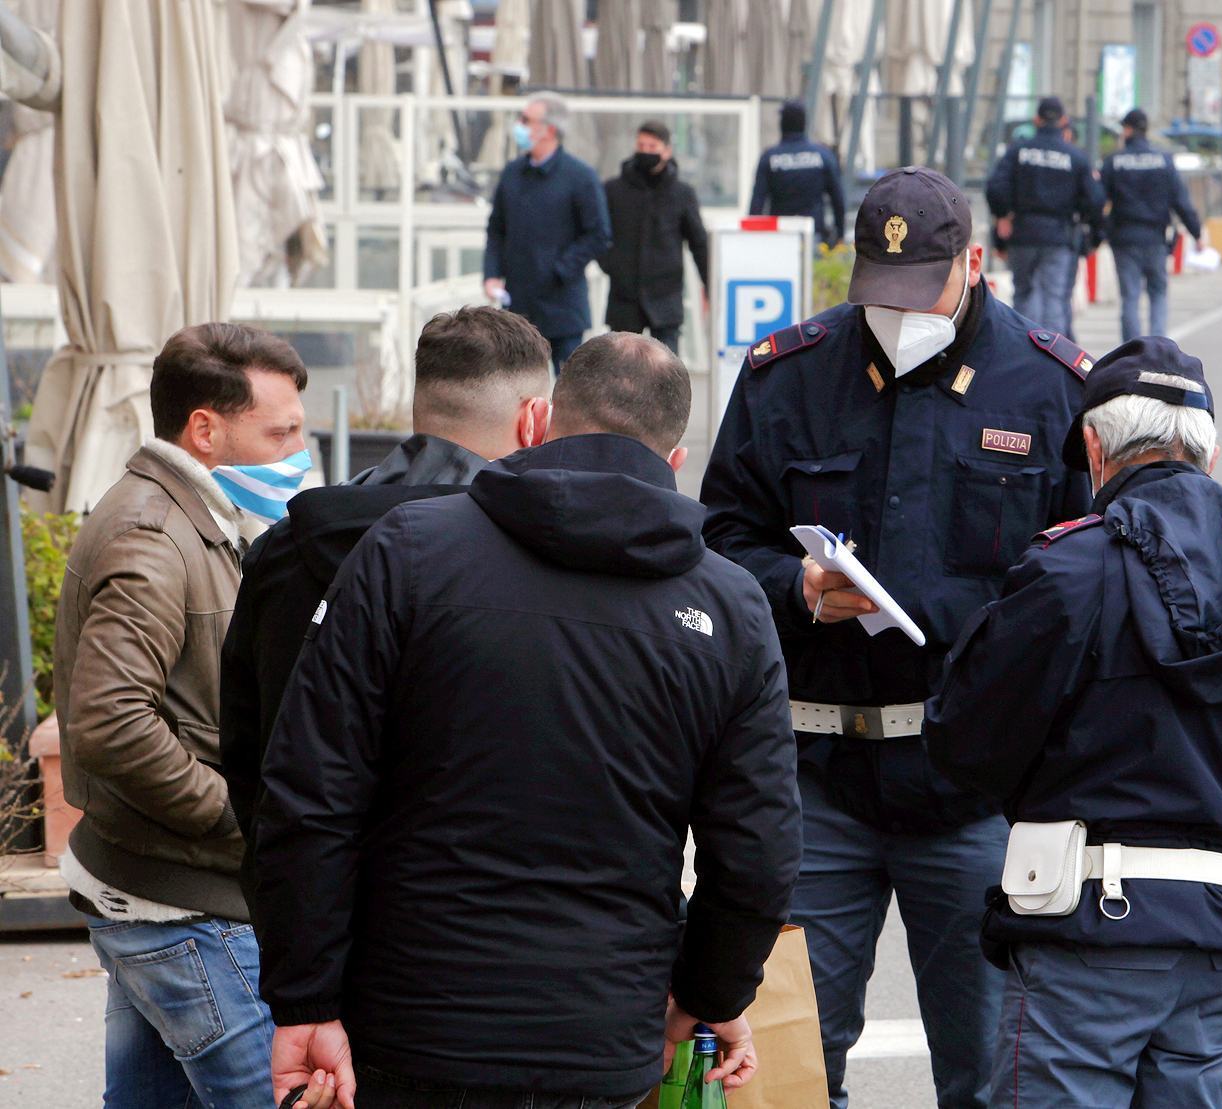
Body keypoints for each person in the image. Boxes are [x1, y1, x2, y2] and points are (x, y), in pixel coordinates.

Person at [254, 331, 801, 1108]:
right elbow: (759, 850)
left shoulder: (407, 551)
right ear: (674, 462)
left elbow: (310, 793)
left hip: (415, 1027)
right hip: (605, 1032)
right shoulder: (730, 603)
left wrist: (305, 999)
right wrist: (711, 993)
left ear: (540, 422)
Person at [701, 165, 1093, 1109]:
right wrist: (791, 584)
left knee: (991, 1069)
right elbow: (718, 539)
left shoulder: (1046, 387)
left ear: (974, 262)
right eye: (881, 298)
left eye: (922, 290)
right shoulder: (787, 375)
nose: (899, 314)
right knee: (788, 1067)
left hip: (973, 784)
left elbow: (1085, 580)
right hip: (816, 778)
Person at [924, 336, 1222, 1107]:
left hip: (1086, 928)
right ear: (1211, 455)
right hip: (1216, 931)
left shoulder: (1067, 571)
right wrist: (1217, 817)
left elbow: (963, 735)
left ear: (1094, 448)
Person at [219, 306, 552, 914]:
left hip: (306, 912)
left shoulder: (287, 547)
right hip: (472, 921)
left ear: (418, 407)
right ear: (534, 421)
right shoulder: (533, 562)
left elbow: (245, 744)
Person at [52, 323, 307, 1108]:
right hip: (183, 906)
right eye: (281, 432)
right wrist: (241, 817)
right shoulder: (155, 534)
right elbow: (110, 721)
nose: (298, 451)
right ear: (205, 426)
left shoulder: (184, 515)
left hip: (151, 891)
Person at [482, 94, 613, 374]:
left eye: (527, 121)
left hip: (563, 306)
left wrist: (560, 269)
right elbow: (496, 229)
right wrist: (491, 274)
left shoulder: (580, 177)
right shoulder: (512, 174)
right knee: (520, 386)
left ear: (550, 129)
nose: (519, 126)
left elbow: (599, 234)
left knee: (567, 389)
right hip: (518, 304)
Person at [985, 96, 1104, 336]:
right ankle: (1053, 360)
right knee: (1054, 300)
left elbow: (995, 187)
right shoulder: (1075, 157)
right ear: (1064, 121)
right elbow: (1095, 200)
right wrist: (1089, 229)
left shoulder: (1018, 151)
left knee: (1024, 295)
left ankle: (1024, 353)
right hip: (1059, 236)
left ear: (1036, 120)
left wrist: (1003, 215)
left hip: (1022, 233)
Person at [603, 119, 710, 351]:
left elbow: (698, 243)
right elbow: (598, 234)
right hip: (624, 299)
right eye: (641, 145)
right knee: (621, 370)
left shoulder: (682, 193)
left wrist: (709, 285)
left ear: (667, 151)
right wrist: (612, 265)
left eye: (652, 147)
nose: (646, 152)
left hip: (666, 299)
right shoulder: (614, 190)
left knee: (667, 370)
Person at [1102, 108, 1204, 342]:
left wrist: (1100, 231)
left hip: (1124, 238)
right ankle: (1157, 348)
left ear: (1127, 130)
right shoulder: (1163, 160)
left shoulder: (1114, 161)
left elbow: (1098, 199)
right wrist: (1196, 233)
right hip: (1155, 238)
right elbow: (1181, 201)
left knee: (1130, 297)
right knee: (1158, 293)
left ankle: (1131, 351)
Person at [749, 98, 848, 247]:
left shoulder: (769, 158)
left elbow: (756, 205)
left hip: (780, 238)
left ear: (782, 124)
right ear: (803, 124)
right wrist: (839, 234)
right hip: (814, 236)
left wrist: (753, 241)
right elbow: (838, 200)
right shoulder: (823, 155)